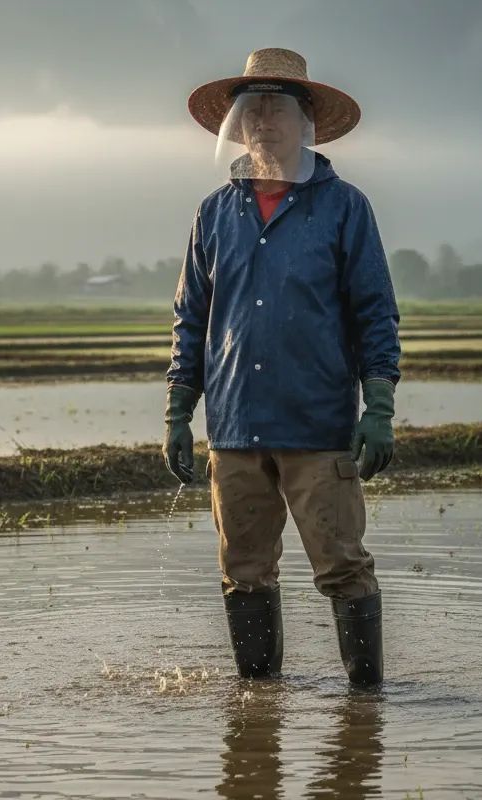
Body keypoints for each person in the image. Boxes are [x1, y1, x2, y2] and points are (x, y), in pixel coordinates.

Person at [162, 47, 401, 687]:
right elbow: (191, 317)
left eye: (278, 109)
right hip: (236, 426)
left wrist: (378, 410)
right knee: (243, 569)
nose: (264, 121)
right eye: (253, 110)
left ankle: (365, 707)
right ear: (237, 128)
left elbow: (376, 314)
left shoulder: (345, 208)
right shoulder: (215, 213)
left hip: (319, 426)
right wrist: (179, 412)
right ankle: (258, 704)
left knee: (343, 565)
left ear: (305, 124)